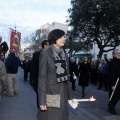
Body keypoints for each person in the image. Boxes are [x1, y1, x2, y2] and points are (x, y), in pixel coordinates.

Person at [37, 29, 74, 120]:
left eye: (64, 37)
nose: (63, 39)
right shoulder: (45, 54)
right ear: (54, 38)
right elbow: (42, 78)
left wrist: (70, 97)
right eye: (61, 37)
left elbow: (67, 76)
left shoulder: (64, 55)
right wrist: (42, 101)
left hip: (63, 93)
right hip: (51, 93)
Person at [30, 40, 49, 108]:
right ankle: (40, 109)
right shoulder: (37, 55)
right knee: (40, 95)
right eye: (48, 45)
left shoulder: (52, 55)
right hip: (38, 79)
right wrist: (32, 79)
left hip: (49, 80)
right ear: (45, 46)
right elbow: (33, 68)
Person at [108, 49, 120, 115]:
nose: (119, 54)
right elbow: (111, 74)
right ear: (113, 55)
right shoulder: (112, 63)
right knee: (114, 96)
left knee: (117, 96)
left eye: (119, 53)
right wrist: (112, 84)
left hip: (119, 82)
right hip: (115, 82)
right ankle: (111, 108)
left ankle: (111, 106)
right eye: (117, 53)